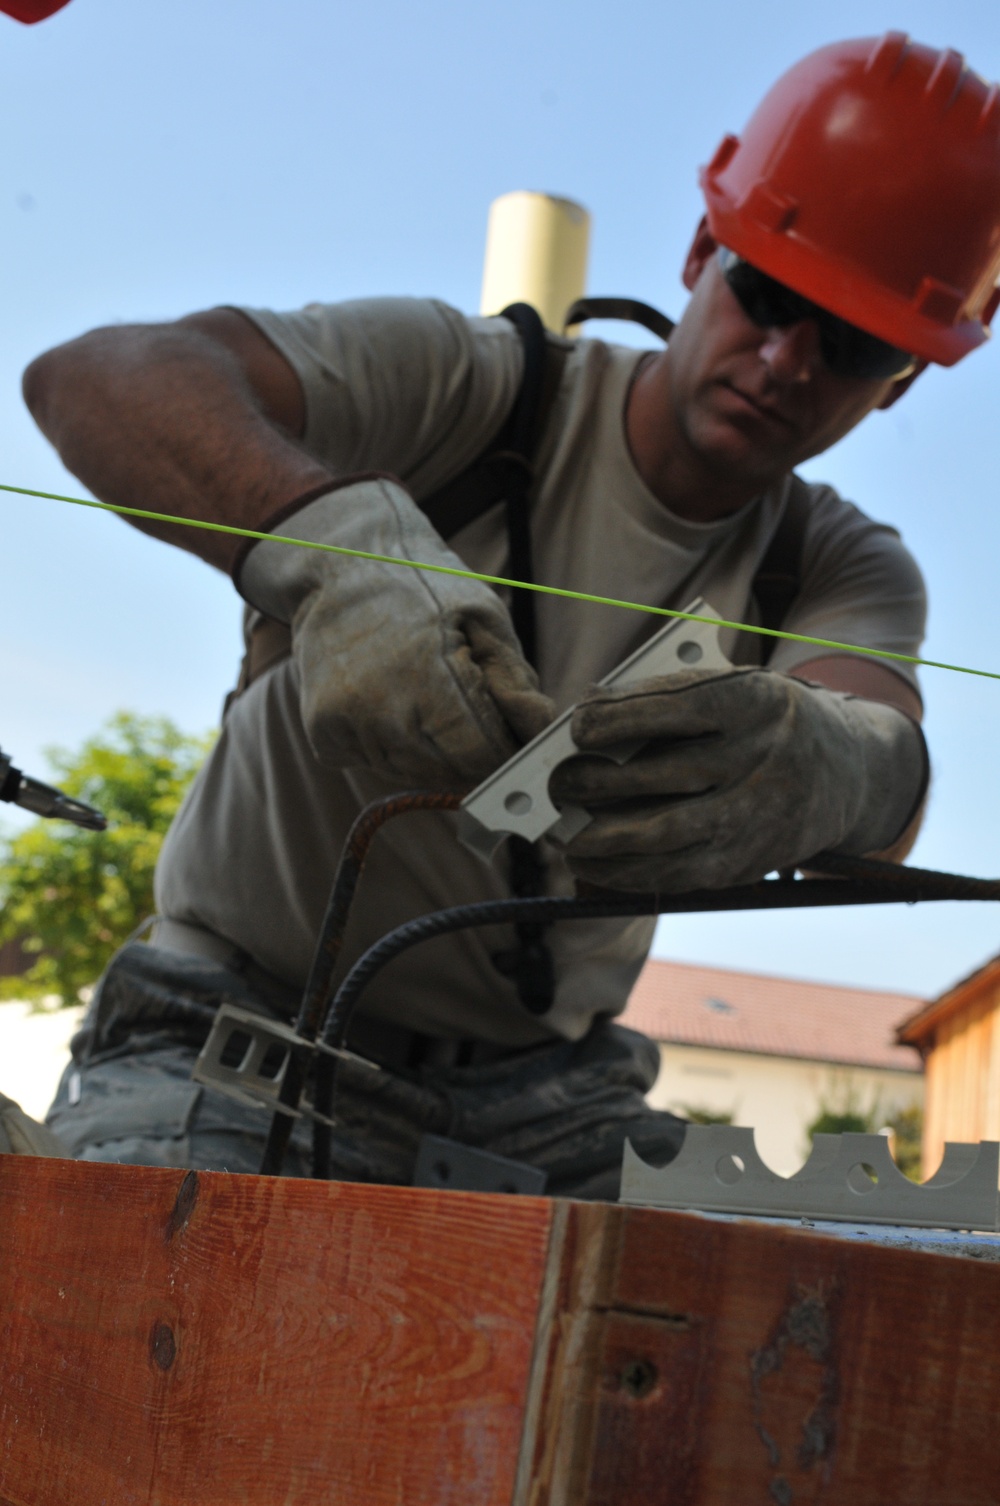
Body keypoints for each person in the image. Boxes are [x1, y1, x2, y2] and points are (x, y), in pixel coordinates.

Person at [24, 34, 1000, 1197]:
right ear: (702, 252)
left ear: (904, 375)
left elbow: (880, 748)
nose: (785, 358)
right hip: (231, 1032)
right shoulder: (474, 389)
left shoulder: (839, 564)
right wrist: (330, 548)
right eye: (768, 295)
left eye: (847, 343)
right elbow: (95, 378)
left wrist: (830, 766)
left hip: (547, 1102)